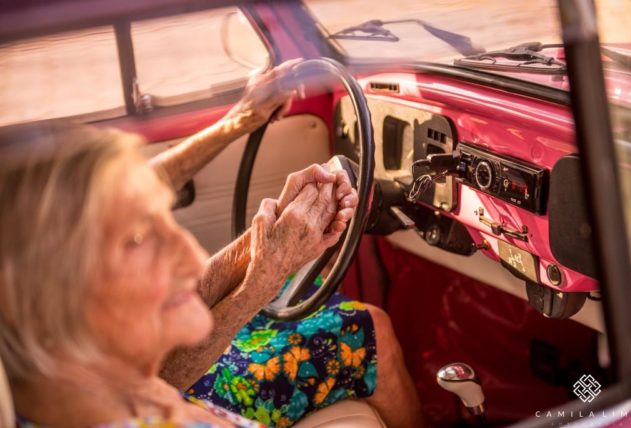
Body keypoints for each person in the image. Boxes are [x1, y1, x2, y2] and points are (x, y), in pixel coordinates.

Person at [0, 60, 422, 427]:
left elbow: (136, 189)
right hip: (190, 379)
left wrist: (263, 247)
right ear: (48, 302)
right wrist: (265, 270)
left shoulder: (99, 391)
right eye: (136, 238)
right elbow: (167, 375)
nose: (190, 254)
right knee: (370, 329)